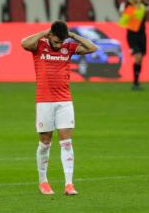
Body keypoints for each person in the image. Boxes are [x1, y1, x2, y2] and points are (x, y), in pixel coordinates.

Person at [21, 21, 98, 195]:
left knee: (66, 142)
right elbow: (24, 43)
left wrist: (72, 35)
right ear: (49, 36)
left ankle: (69, 184)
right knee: (45, 142)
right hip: (44, 101)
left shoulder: (68, 47)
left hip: (64, 101)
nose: (58, 45)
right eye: (56, 42)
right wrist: (44, 32)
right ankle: (43, 182)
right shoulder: (39, 46)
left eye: (61, 42)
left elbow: (93, 48)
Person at [119, 0, 149, 90]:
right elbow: (122, 14)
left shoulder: (143, 3)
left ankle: (136, 82)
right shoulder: (126, 4)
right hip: (132, 34)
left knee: (140, 59)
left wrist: (145, 9)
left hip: (142, 34)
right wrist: (133, 10)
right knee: (138, 56)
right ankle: (135, 83)